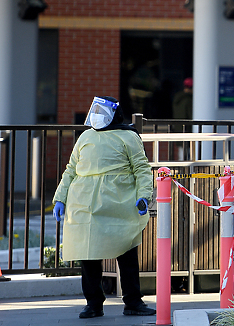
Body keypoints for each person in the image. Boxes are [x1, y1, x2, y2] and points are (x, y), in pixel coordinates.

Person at [52, 96, 155, 319]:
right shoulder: (85, 137)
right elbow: (71, 169)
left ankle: (133, 302)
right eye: (95, 109)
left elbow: (141, 169)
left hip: (119, 204)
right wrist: (60, 197)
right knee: (88, 256)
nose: (96, 114)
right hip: (84, 206)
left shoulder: (128, 136)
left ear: (113, 113)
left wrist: (143, 196)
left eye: (101, 110)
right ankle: (93, 303)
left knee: (126, 254)